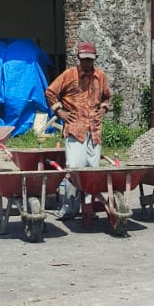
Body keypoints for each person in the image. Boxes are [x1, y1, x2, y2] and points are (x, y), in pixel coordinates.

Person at [45, 41, 112, 221]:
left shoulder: (100, 76)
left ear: (95, 59)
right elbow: (50, 92)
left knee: (92, 171)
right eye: (84, 60)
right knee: (74, 169)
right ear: (79, 59)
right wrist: (60, 112)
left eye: (90, 60)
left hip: (94, 130)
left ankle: (88, 208)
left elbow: (107, 96)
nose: (87, 64)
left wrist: (103, 109)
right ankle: (69, 207)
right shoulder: (69, 75)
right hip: (75, 128)